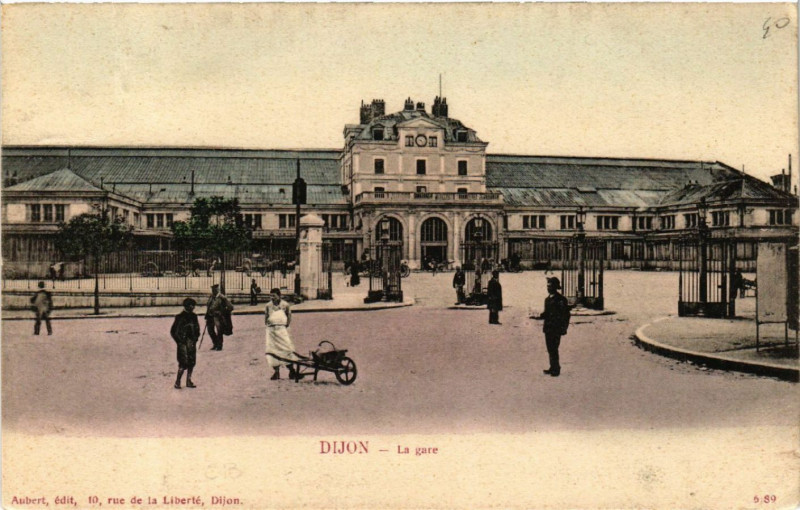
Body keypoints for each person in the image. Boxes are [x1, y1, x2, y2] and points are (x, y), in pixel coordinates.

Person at [538, 277, 571, 377]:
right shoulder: (547, 299)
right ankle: (552, 367)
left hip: (556, 328)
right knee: (550, 348)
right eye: (547, 286)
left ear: (556, 287)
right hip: (548, 328)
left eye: (550, 286)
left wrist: (564, 328)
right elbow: (547, 313)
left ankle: (556, 369)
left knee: (554, 348)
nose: (548, 288)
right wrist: (540, 315)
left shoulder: (561, 300)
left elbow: (566, 315)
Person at [265, 288, 299, 380]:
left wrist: (284, 326)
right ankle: (276, 372)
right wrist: (270, 327)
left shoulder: (285, 305)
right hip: (271, 331)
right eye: (270, 296)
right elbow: (266, 318)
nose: (272, 298)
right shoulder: (268, 306)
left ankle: (292, 371)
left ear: (279, 296)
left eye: (274, 296)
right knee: (272, 351)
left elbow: (289, 316)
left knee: (287, 350)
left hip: (282, 330)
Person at [170, 297, 200, 389]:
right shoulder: (179, 317)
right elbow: (173, 331)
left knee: (192, 362)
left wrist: (195, 338)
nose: (193, 307)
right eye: (191, 305)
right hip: (182, 344)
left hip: (191, 343)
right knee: (183, 363)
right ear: (186, 306)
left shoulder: (194, 316)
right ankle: (178, 381)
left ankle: (188, 381)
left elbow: (197, 329)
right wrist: (179, 341)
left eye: (193, 306)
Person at [206, 284, 233, 351]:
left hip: (218, 317)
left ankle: (219, 346)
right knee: (210, 331)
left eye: (215, 290)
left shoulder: (222, 298)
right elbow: (208, 305)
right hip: (210, 316)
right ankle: (215, 344)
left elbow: (231, 307)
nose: (213, 291)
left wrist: (221, 312)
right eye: (212, 290)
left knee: (219, 331)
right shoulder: (211, 297)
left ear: (218, 290)